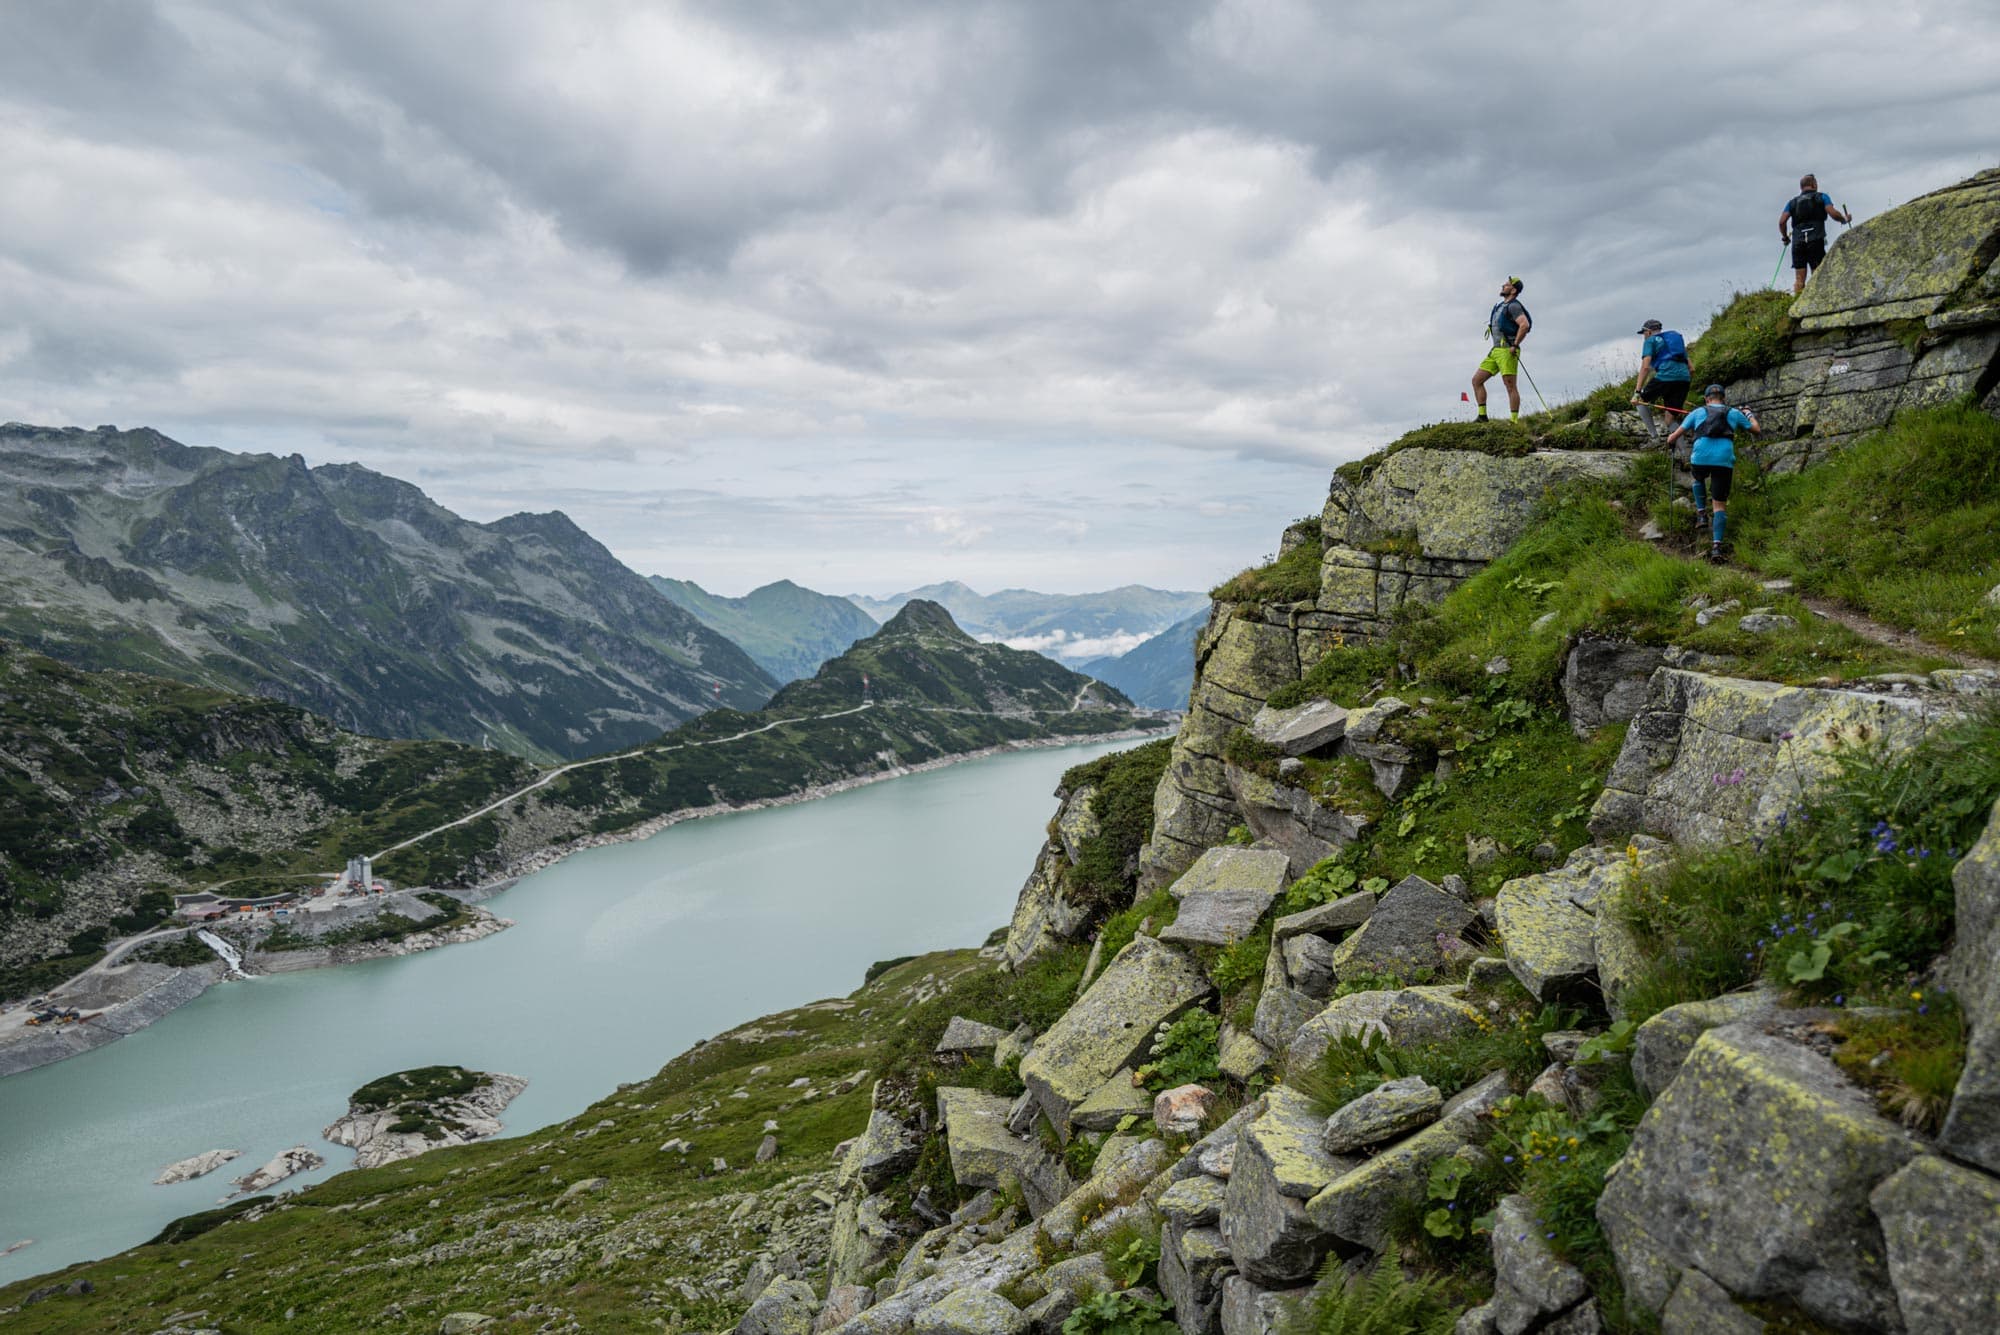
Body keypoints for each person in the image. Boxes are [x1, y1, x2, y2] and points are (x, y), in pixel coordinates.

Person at [1666, 383, 1760, 563]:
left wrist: (1670, 442)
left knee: (1698, 478)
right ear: (1723, 398)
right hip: (1723, 460)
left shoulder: (1697, 412)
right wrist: (1748, 413)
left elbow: (1674, 436)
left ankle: (1701, 513)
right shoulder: (1733, 413)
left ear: (1706, 399)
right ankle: (1716, 547)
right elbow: (1756, 430)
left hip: (1700, 457)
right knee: (1719, 506)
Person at [1780, 174, 1851, 295]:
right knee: (1817, 274)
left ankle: (1797, 304)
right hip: (1815, 240)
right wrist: (1844, 219)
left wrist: (1785, 237)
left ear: (1801, 187)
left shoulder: (1792, 203)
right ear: (1814, 184)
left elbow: (1782, 222)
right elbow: (1833, 214)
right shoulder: (1822, 197)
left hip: (1798, 242)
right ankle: (1816, 302)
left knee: (1799, 279)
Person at [1472, 277, 1531, 421]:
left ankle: (1514, 421)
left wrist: (1515, 345)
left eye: (1507, 285)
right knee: (1477, 381)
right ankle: (1482, 416)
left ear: (1513, 290)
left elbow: (1524, 325)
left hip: (1507, 350)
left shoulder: (1514, 306)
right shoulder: (1501, 306)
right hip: (1495, 350)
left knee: (1510, 386)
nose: (1503, 285)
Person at [1631, 318, 1691, 443]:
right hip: (1684, 380)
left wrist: (1637, 392)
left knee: (1640, 401)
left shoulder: (1650, 341)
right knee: (1669, 419)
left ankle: (1654, 438)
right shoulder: (1675, 341)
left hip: (1665, 376)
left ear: (1648, 332)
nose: (1644, 337)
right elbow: (1692, 369)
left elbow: (1646, 367)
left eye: (1643, 334)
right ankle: (1685, 455)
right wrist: (1681, 387)